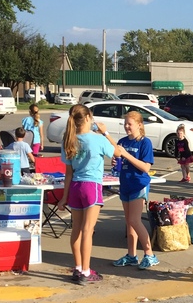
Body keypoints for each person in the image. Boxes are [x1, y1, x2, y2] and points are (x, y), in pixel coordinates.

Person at [61, 104, 116, 284]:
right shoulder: (97, 139)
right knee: (87, 230)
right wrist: (106, 133)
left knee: (76, 228)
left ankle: (78, 267)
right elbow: (118, 152)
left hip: (75, 186)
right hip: (91, 185)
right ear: (87, 118)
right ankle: (86, 271)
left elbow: (68, 173)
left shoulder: (68, 139)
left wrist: (64, 196)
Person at [112, 110, 159, 270]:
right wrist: (116, 161)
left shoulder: (145, 143)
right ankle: (131, 255)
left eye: (129, 124)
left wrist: (127, 155)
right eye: (125, 123)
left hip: (139, 184)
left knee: (135, 220)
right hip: (125, 184)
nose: (126, 127)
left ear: (139, 125)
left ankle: (150, 254)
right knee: (129, 223)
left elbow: (146, 167)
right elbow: (120, 161)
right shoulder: (122, 141)